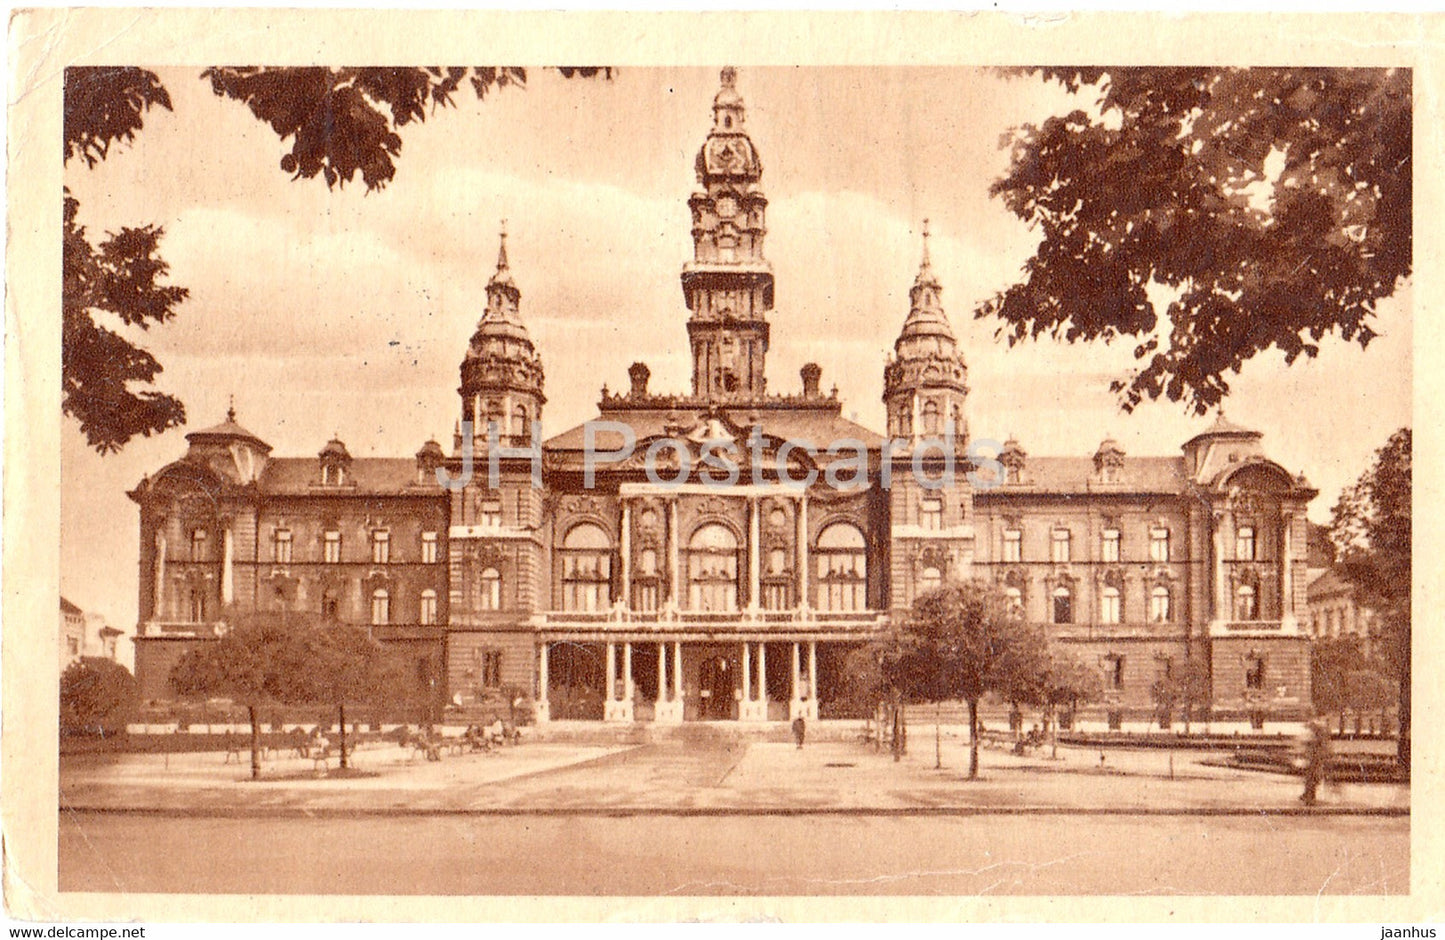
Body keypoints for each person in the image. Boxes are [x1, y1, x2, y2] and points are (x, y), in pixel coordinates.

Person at [1300, 717, 1332, 806]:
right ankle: (1308, 795)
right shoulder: (1318, 737)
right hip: (1314, 759)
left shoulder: (1317, 738)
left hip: (1315, 760)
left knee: (1311, 778)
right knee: (1311, 778)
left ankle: (1310, 798)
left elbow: (1315, 748)